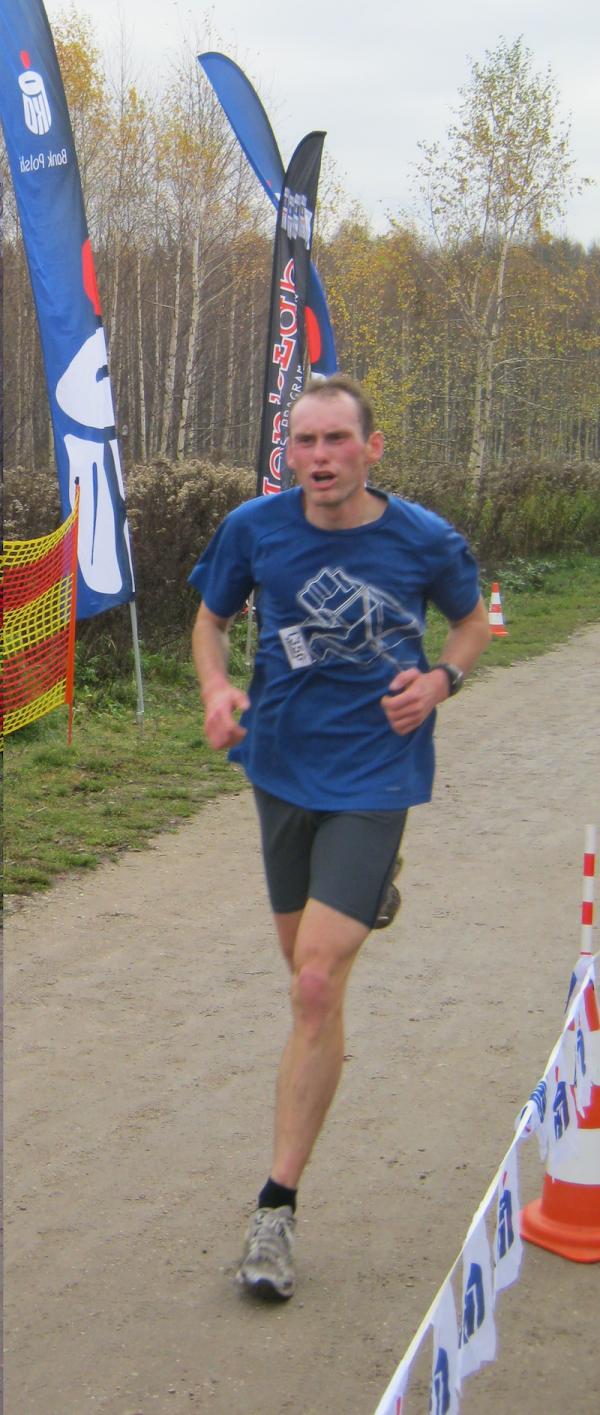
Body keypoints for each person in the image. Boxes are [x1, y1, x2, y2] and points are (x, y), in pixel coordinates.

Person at [189, 373, 490, 1301]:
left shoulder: (424, 538)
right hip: (280, 766)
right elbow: (209, 620)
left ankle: (275, 1206)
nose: (319, 457)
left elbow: (473, 622)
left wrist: (440, 680)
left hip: (375, 771)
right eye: (305, 441)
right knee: (303, 971)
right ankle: (358, 891)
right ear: (290, 452)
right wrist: (216, 687)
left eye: (337, 440)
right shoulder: (254, 528)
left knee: (316, 982)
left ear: (372, 447)